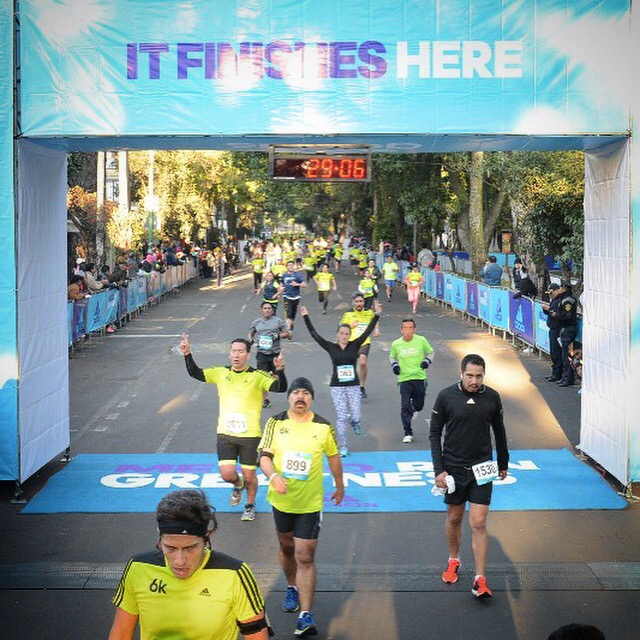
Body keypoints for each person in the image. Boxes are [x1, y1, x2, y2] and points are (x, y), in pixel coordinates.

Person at [108, 489, 270, 640]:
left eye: (190, 548)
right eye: (170, 548)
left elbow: (256, 636)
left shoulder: (235, 574)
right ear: (159, 536)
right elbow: (121, 633)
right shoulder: (138, 568)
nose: (180, 561)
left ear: (207, 537)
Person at [258, 377, 344, 637]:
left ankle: (305, 616)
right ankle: (292, 586)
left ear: (312, 399)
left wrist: (340, 486)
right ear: (289, 398)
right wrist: (274, 476)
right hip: (282, 500)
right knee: (287, 547)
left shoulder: (323, 426)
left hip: (310, 503)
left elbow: (333, 456)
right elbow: (264, 457)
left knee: (304, 555)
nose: (300, 397)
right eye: (296, 392)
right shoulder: (275, 423)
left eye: (306, 393)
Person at [179, 334, 287, 522]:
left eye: (240, 351)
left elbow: (280, 388)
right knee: (227, 474)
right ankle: (238, 485)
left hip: (250, 435)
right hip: (225, 433)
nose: (236, 355)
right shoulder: (220, 372)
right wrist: (187, 354)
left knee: (250, 476)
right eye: (233, 351)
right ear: (230, 354)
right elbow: (196, 373)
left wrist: (280, 371)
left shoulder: (257, 376)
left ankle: (250, 505)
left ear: (248, 355)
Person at [429, 354, 509, 599]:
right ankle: (453, 559)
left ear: (484, 375)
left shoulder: (492, 397)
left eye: (479, 376)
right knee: (454, 518)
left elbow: (499, 431)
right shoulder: (446, 396)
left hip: (482, 469)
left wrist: (503, 463)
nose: (474, 381)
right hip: (453, 469)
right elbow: (434, 433)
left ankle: (480, 579)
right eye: (470, 376)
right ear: (461, 373)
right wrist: (439, 469)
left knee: (478, 522)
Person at [301, 301, 382, 456]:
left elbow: (368, 330)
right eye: (342, 333)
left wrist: (377, 314)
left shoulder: (355, 345)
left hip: (353, 386)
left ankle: (355, 422)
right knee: (341, 416)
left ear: (350, 335)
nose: (344, 336)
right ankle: (343, 446)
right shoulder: (331, 347)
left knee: (356, 416)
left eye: (346, 334)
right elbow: (314, 334)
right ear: (337, 335)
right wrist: (306, 316)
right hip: (337, 387)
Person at [389, 317, 434, 443]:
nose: (408, 331)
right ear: (401, 330)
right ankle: (407, 432)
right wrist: (394, 365)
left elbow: (431, 352)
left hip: (419, 377)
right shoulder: (396, 344)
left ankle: (412, 409)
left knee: (419, 406)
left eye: (410, 328)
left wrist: (427, 361)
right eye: (405, 328)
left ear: (414, 329)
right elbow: (392, 357)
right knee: (404, 406)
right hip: (404, 379)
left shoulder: (421, 340)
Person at [248, 301, 290, 408]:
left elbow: (287, 333)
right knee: (262, 378)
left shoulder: (278, 321)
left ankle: (271, 377)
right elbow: (251, 332)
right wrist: (250, 338)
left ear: (272, 310)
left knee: (277, 378)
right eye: (265, 308)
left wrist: (278, 335)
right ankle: (265, 399)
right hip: (262, 354)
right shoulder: (257, 322)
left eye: (269, 308)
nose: (267, 310)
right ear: (261, 310)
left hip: (274, 354)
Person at [340, 292, 380, 398]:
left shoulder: (369, 312)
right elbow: (341, 328)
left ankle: (361, 387)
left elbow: (375, 319)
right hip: (350, 343)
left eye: (361, 301)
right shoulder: (348, 314)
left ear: (364, 302)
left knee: (362, 363)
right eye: (357, 301)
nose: (359, 304)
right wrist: (350, 325)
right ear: (353, 302)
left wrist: (376, 329)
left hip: (364, 342)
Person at [281, 261, 306, 333]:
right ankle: (289, 330)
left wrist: (297, 284)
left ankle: (291, 323)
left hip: (296, 297)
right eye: (289, 265)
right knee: (288, 314)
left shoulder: (298, 275)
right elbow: (281, 284)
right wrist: (279, 291)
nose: (291, 267)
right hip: (287, 296)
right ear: (287, 267)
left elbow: (305, 285)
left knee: (293, 315)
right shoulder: (284, 275)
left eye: (292, 265)